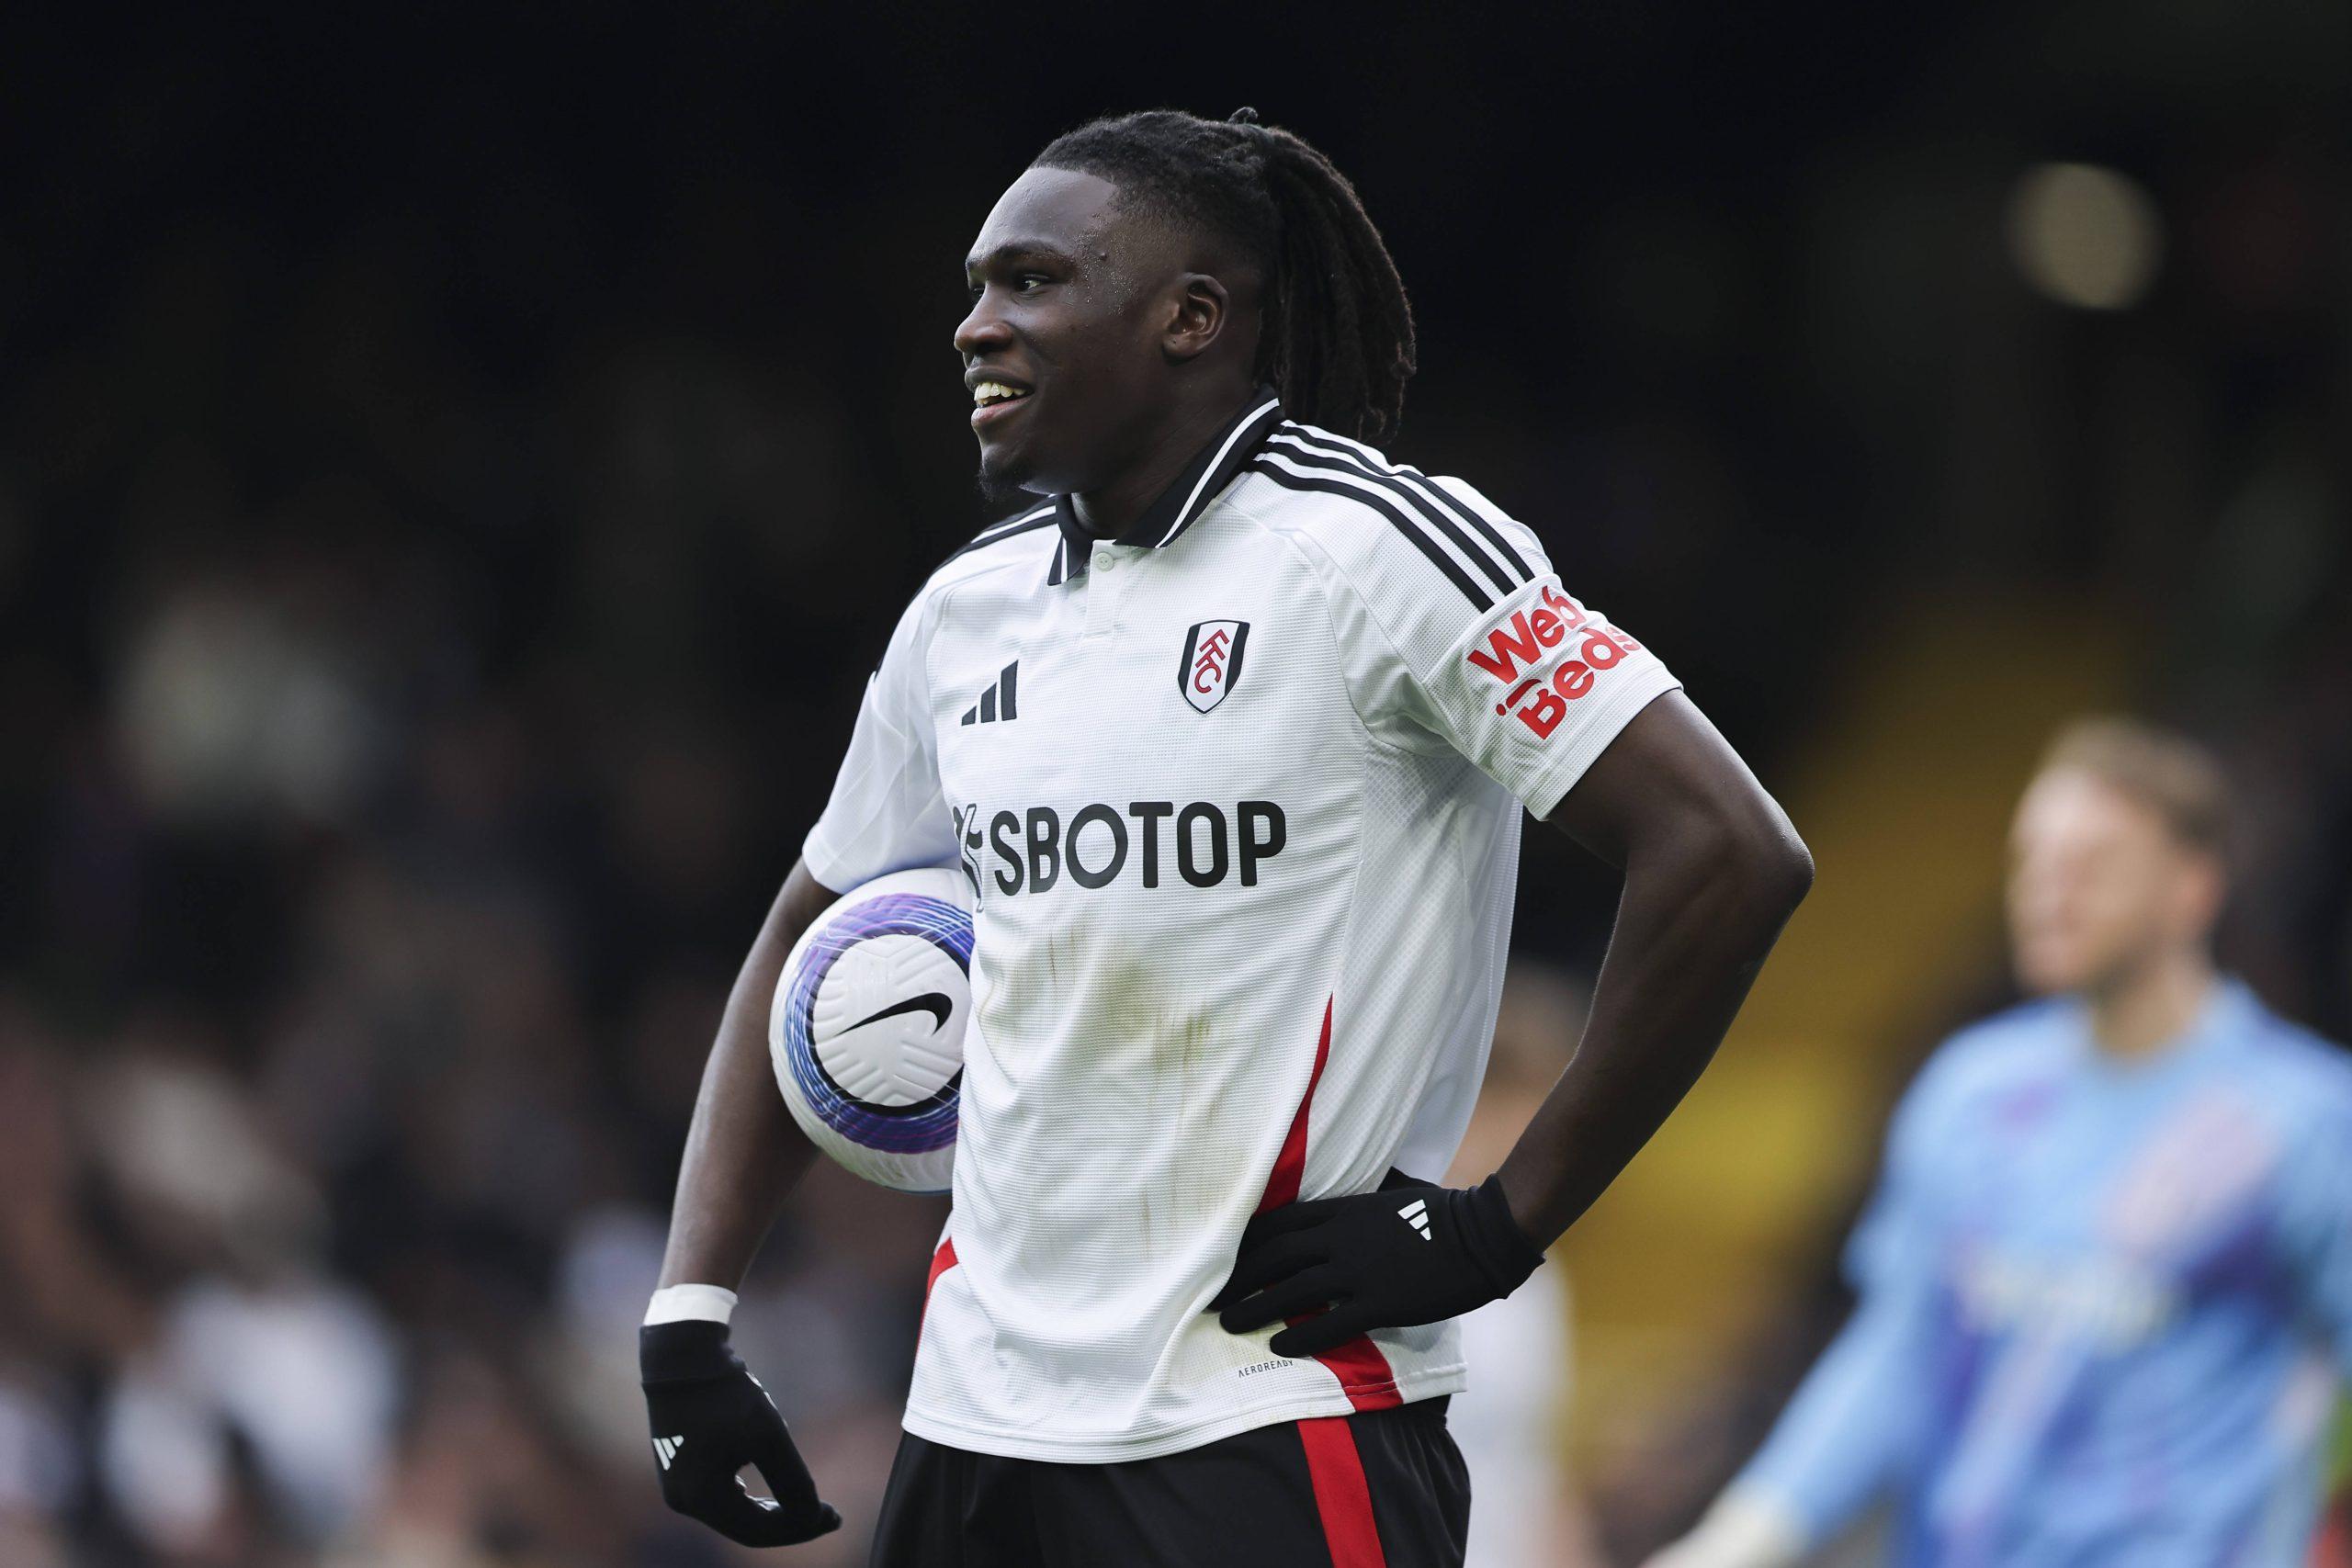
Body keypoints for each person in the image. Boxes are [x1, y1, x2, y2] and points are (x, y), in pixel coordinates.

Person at [639, 107, 1812, 1566]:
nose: (973, 327)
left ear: (1191, 316)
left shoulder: (1381, 552)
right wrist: (689, 1317)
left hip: (1276, 1413)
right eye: (976, 286)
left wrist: (1501, 1223)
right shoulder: (966, 610)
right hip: (977, 1422)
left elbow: (1729, 847)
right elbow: (801, 936)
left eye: (1030, 281)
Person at [1650, 718, 2352, 1568]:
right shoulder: (1972, 1090)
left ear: (2192, 888)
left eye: (2091, 863)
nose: (2048, 891)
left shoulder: (2303, 1118)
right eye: (2032, 860)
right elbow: (1897, 1348)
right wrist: (1740, 1537)